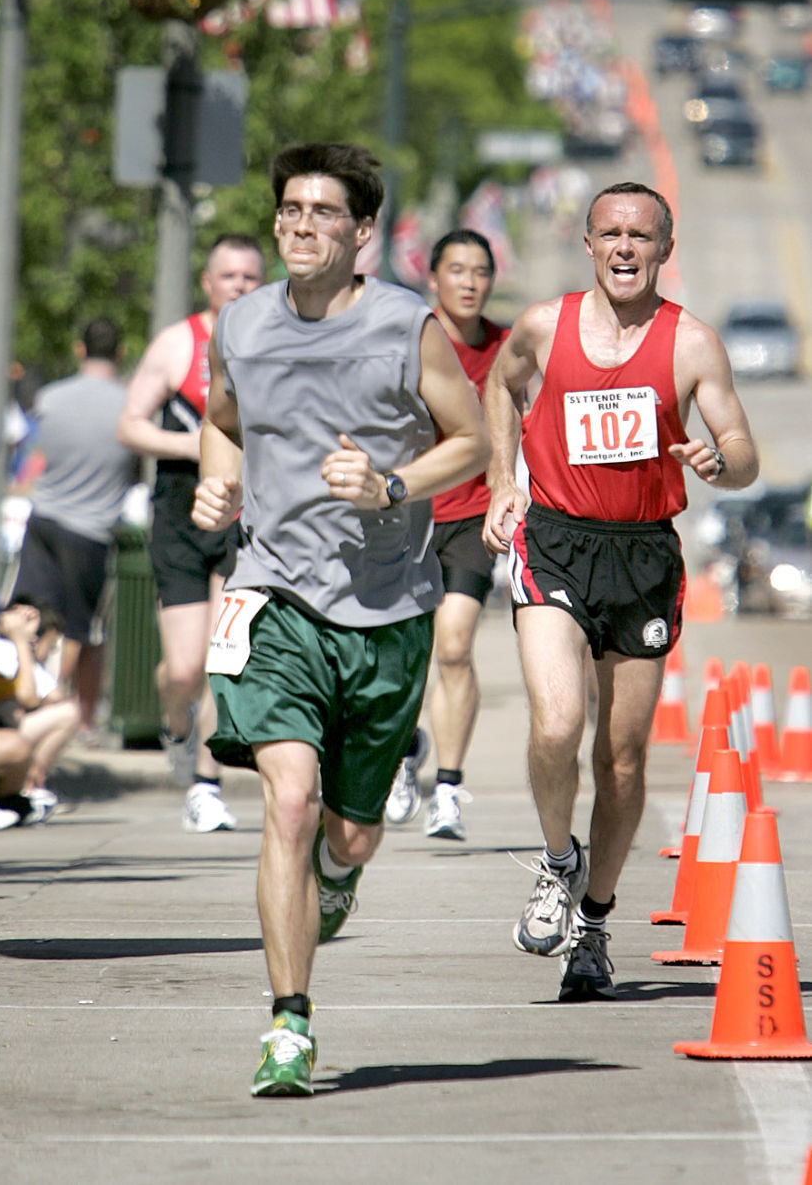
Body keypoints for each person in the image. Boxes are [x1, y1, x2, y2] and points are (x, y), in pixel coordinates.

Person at [192, 143, 488, 1096]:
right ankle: (289, 1024)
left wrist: (392, 482)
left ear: (364, 233)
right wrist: (214, 479)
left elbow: (473, 439)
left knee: (349, 836)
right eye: (289, 209)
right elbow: (222, 417)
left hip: (387, 607)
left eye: (324, 213)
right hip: (273, 593)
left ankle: (340, 866)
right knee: (286, 795)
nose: (301, 226)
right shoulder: (239, 323)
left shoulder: (410, 326)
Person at [483, 180, 759, 1002]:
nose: (627, 247)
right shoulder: (543, 324)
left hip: (642, 557)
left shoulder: (692, 343)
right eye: (612, 233)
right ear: (591, 244)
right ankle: (557, 864)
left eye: (642, 234)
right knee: (557, 722)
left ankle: (595, 924)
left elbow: (742, 447)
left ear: (665, 249)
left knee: (624, 759)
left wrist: (722, 460)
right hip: (556, 542)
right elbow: (500, 387)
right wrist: (504, 480)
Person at [119, 235, 265, 833]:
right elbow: (129, 425)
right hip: (181, 504)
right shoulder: (178, 343)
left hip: (245, 508)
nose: (239, 286)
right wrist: (198, 444)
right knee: (183, 669)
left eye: (251, 277)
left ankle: (206, 785)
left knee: (223, 656)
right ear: (208, 283)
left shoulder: (273, 342)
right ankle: (175, 723)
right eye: (228, 275)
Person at [385, 229, 509, 839]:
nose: (468, 281)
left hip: (473, 516)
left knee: (454, 645)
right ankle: (405, 749)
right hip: (405, 515)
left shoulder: (509, 348)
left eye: (480, 271)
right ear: (432, 277)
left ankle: (450, 790)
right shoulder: (407, 338)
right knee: (406, 655)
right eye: (456, 269)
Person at [14, 317, 138, 736]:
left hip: (44, 519)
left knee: (35, 617)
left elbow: (36, 453)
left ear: (79, 349)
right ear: (120, 353)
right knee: (82, 629)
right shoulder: (131, 404)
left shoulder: (50, 398)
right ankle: (77, 716)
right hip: (92, 530)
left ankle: (30, 702)